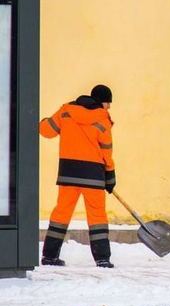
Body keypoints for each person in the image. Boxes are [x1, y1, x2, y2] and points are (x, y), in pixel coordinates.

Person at [39, 85, 116, 268]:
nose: (109, 107)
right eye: (108, 102)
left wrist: (42, 121)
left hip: (68, 173)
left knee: (61, 213)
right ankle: (102, 259)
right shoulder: (102, 119)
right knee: (97, 215)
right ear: (101, 101)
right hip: (93, 175)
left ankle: (49, 256)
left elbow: (46, 131)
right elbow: (106, 151)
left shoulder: (66, 111)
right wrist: (110, 175)